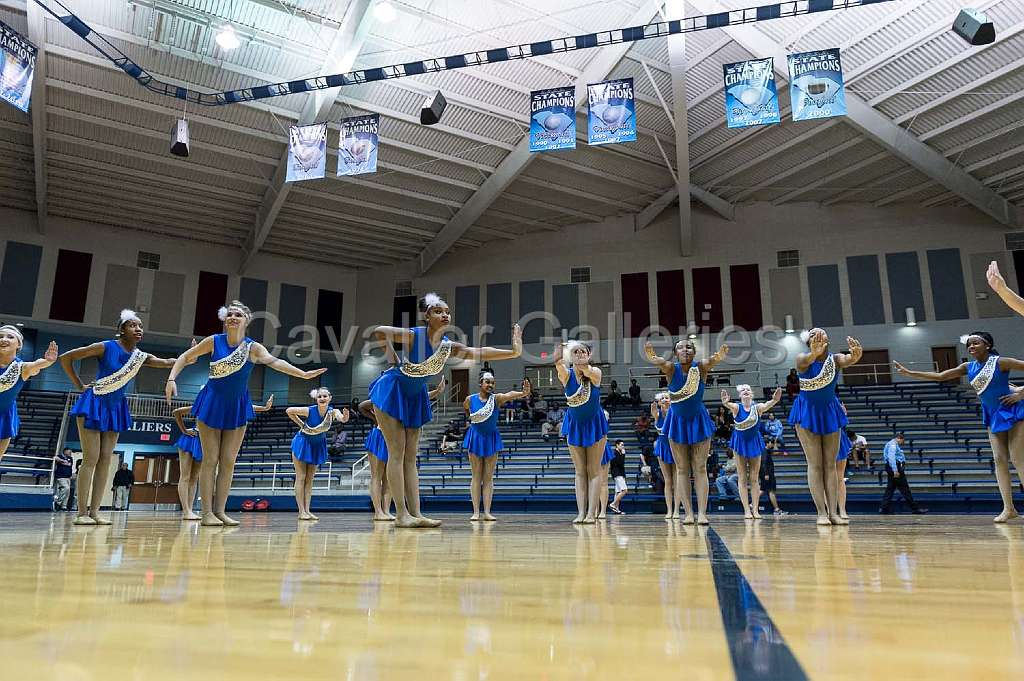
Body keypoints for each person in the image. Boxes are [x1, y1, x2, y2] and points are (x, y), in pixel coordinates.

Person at [165, 300, 326, 527]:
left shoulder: (253, 348)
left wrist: (304, 375)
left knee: (228, 461)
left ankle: (220, 511)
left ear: (246, 320)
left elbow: (276, 362)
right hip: (212, 402)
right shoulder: (214, 341)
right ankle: (206, 513)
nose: (233, 317)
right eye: (229, 314)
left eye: (238, 315)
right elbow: (184, 357)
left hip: (238, 405)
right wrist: (172, 378)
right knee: (210, 460)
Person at [370, 292, 522, 528]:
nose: (445, 315)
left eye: (448, 312)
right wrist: (392, 359)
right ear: (427, 315)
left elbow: (477, 351)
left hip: (415, 396)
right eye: (439, 311)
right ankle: (400, 514)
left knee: (411, 458)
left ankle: (416, 513)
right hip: (393, 390)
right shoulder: (412, 336)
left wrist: (513, 352)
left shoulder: (448, 347)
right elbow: (379, 331)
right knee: (397, 453)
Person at [61, 309, 190, 525]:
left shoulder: (140, 357)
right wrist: (79, 385)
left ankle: (94, 512)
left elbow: (168, 362)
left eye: (140, 326)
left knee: (104, 461)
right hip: (94, 402)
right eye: (133, 325)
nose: (138, 329)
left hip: (117, 406)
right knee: (90, 459)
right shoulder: (105, 347)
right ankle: (81, 513)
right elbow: (67, 358)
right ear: (121, 330)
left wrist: (188, 356)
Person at [895, 331, 1023, 522]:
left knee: (1018, 459)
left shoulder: (1001, 362)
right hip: (992, 414)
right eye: (969, 344)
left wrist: (1020, 394)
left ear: (987, 345)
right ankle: (1009, 508)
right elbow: (940, 376)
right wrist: (910, 373)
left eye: (976, 343)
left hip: (1012, 411)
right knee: (999, 460)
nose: (971, 347)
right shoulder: (968, 366)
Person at [644, 338, 728, 525]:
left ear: (694, 351)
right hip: (677, 422)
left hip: (698, 420)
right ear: (675, 353)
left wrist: (719, 356)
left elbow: (712, 361)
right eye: (680, 347)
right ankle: (688, 513)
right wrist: (651, 356)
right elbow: (659, 362)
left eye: (689, 347)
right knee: (681, 469)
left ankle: (702, 513)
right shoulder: (671, 368)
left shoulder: (700, 367)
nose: (685, 350)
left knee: (700, 468)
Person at [787, 328, 863, 526]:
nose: (818, 333)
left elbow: (847, 360)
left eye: (821, 332)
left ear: (828, 339)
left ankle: (834, 512)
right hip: (806, 412)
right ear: (808, 341)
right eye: (812, 333)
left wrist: (856, 356)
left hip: (829, 411)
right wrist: (814, 352)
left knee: (830, 465)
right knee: (815, 464)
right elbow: (805, 362)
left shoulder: (835, 359)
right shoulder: (802, 358)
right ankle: (821, 512)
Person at [359, 378, 447, 522]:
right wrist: (376, 419)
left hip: (393, 437)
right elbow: (362, 406)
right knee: (377, 475)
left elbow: (422, 396)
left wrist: (437, 392)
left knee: (389, 479)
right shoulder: (383, 395)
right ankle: (378, 512)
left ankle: (387, 511)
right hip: (379, 436)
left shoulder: (401, 396)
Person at [173, 396, 273, 520]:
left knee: (194, 478)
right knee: (185, 476)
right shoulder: (202, 405)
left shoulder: (223, 405)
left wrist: (264, 408)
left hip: (202, 441)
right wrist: (184, 430)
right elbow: (177, 412)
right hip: (190, 439)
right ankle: (186, 511)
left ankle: (190, 510)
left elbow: (246, 407)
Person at [554, 341, 609, 524]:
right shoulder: (566, 375)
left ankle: (592, 513)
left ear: (589, 354)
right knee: (579, 471)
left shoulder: (596, 373)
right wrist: (560, 348)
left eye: (583, 351)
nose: (579, 354)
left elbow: (588, 372)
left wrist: (582, 362)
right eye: (575, 352)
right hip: (575, 424)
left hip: (594, 423)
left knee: (593, 470)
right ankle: (580, 512)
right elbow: (558, 363)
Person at [463, 374, 529, 521]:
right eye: (487, 382)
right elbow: (466, 410)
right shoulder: (470, 399)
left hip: (491, 437)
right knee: (476, 476)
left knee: (488, 477)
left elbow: (509, 395)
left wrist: (522, 393)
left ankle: (486, 511)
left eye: (493, 382)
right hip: (476, 438)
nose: (490, 385)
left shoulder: (496, 399)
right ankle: (475, 512)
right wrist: (473, 421)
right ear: (480, 383)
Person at [287, 388, 351, 521]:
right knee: (301, 477)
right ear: (316, 399)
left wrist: (345, 417)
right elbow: (289, 411)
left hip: (317, 445)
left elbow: (342, 419)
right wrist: (301, 424)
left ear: (330, 398)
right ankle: (301, 512)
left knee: (310, 480)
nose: (322, 398)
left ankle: (307, 511)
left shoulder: (333, 412)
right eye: (319, 396)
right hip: (303, 443)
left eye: (325, 396)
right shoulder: (309, 410)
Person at [721, 385, 783, 519]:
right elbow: (729, 405)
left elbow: (768, 404)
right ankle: (746, 511)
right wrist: (725, 402)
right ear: (740, 396)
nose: (746, 392)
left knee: (754, 478)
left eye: (748, 390)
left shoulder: (758, 408)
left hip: (754, 442)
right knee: (742, 478)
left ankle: (755, 509)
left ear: (752, 394)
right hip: (740, 443)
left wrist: (775, 400)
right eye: (743, 391)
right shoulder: (737, 407)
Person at [0, 325, 58, 462]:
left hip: (4, 415)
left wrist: (48, 361)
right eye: (0, 336)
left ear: (19, 344)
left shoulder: (22, 368)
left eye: (10, 337)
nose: (3, 339)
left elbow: (36, 365)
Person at [878, 433, 927, 515]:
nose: (902, 443)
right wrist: (895, 470)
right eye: (902, 441)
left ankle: (883, 508)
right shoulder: (893, 445)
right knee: (905, 489)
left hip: (891, 467)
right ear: (899, 438)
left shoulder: (890, 444)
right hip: (895, 467)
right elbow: (891, 457)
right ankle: (915, 509)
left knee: (890, 489)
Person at [650, 392, 676, 518]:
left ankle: (676, 510)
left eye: (667, 398)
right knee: (668, 480)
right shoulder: (657, 414)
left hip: (675, 447)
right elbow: (654, 413)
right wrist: (654, 411)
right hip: (662, 447)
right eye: (662, 398)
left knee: (677, 481)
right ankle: (669, 510)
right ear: (659, 402)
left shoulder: (675, 413)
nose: (665, 400)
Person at [760, 439, 787, 515]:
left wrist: (775, 443)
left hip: (767, 474)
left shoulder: (766, 451)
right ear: (767, 443)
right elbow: (764, 463)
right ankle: (776, 509)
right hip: (768, 474)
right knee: (771, 491)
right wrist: (766, 474)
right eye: (771, 443)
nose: (772, 445)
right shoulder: (765, 452)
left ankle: (752, 504)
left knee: (763, 490)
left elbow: (776, 452)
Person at [608, 440, 629, 515]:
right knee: (624, 490)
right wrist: (623, 455)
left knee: (617, 492)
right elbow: (619, 463)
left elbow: (621, 465)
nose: (623, 446)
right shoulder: (615, 453)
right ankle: (613, 504)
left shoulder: (619, 453)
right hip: (617, 474)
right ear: (617, 445)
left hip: (620, 474)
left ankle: (616, 509)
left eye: (623, 445)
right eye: (621, 445)